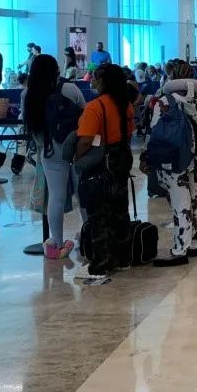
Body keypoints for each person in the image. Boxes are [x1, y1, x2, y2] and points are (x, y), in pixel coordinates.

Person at [144, 62, 197, 266]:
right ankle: (193, 244)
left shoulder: (164, 102)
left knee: (180, 203)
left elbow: (154, 133)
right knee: (196, 199)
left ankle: (179, 249)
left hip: (174, 160)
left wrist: (146, 158)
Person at [74, 64, 135, 279]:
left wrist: (77, 159)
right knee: (120, 210)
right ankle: (123, 258)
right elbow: (129, 132)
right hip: (121, 160)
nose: (92, 82)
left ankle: (99, 264)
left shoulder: (95, 107)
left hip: (100, 163)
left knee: (98, 213)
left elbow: (86, 140)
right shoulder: (125, 106)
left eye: (96, 79)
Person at [22, 54, 86, 259]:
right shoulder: (70, 89)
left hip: (49, 150)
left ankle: (56, 243)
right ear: (56, 70)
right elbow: (85, 114)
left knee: (56, 197)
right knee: (81, 193)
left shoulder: (28, 94)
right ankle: (88, 234)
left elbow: (29, 125)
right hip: (75, 148)